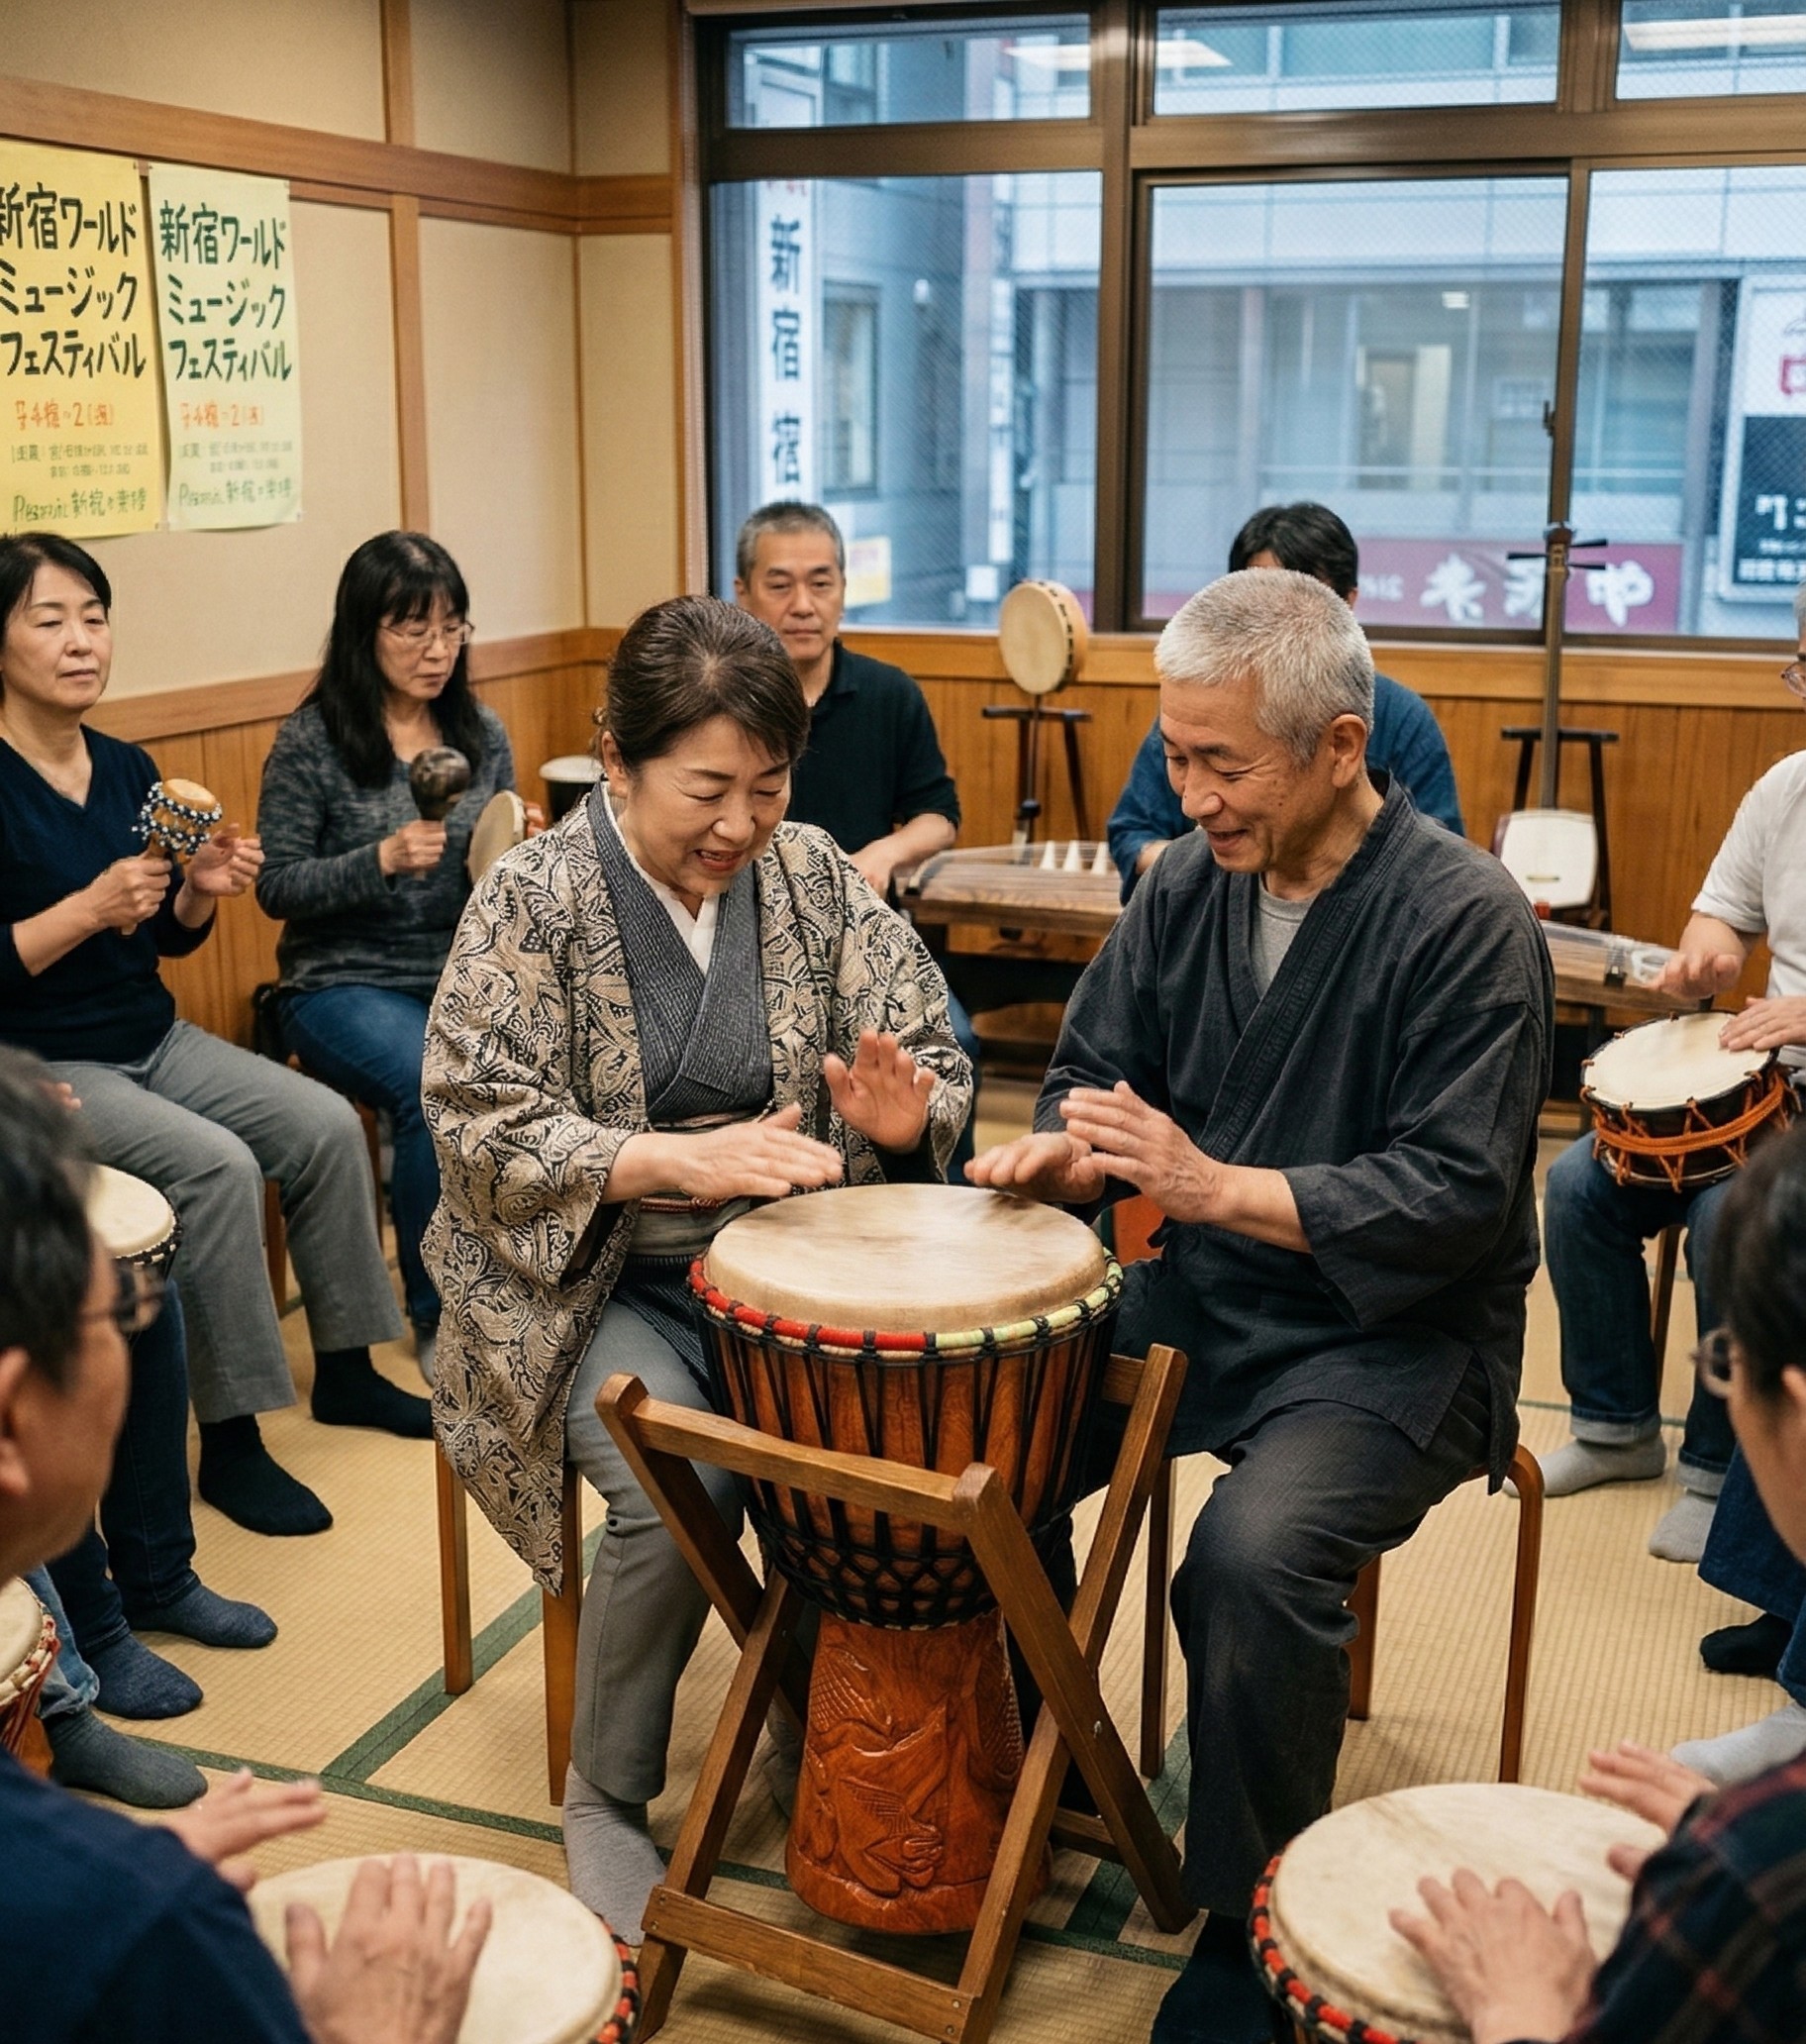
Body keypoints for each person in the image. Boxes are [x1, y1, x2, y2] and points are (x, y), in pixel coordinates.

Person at [968, 568, 1550, 2044]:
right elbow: (1095, 1079)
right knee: (985, 1418)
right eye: (1175, 754)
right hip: (1213, 1297)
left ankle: (1252, 1921)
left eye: (1224, 763)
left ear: (1342, 747)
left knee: (1247, 1559)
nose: (1191, 793)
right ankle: (1040, 1774)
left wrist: (1215, 1185)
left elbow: (1458, 1194)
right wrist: (1063, 1155)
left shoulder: (1467, 917)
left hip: (1395, 1342)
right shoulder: (1181, 887)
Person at [423, 594, 971, 1944]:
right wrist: (666, 1163)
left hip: (781, 1274)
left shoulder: (814, 874)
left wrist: (912, 1118)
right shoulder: (533, 897)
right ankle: (606, 1797)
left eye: (768, 788)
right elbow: (473, 1110)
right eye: (706, 789)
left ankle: (816, 1722)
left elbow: (925, 1038)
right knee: (685, 1479)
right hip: (586, 1284)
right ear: (617, 758)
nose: (738, 825)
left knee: (884, 1446)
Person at [0, 1040, 491, 2043]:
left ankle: (149, 1586)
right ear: (12, 1420)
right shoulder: (136, 1929)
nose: (129, 1329)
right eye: (115, 1314)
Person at [0, 531, 420, 1543]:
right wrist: (88, 908)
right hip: (42, 1062)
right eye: (49, 620)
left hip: (151, 1033)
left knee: (323, 1124)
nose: (80, 641)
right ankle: (232, 1438)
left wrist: (193, 892)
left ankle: (352, 1371)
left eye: (93, 618)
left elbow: (169, 942)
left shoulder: (128, 767)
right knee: (218, 1168)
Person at [1391, 1120, 1806, 2044]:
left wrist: (1522, 2017)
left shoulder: (1762, 1882)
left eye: (1722, 1362)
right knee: (1580, 1182)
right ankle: (1616, 1426)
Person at [1539, 578, 1806, 1569]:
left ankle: (1716, 1471)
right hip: (1759, 1073)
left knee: (1726, 1220)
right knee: (1574, 1189)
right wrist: (1703, 963)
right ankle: (1612, 1427)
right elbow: (1720, 916)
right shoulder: (1786, 789)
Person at [257, 532, 535, 1380]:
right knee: (432, 1084)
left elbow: (495, 861)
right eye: (411, 627)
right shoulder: (314, 740)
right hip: (338, 980)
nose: (436, 648)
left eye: (452, 627)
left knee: (553, 1053)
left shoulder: (478, 732)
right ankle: (438, 1312)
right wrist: (375, 862)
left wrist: (517, 855)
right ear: (362, 632)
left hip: (455, 971)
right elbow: (276, 885)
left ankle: (522, 1282)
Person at [733, 499, 979, 1175]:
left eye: (822, 582)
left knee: (952, 1039)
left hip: (867, 947)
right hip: (747, 943)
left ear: (844, 589)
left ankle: (950, 1205)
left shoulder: (889, 693)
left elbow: (939, 813)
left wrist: (886, 852)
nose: (803, 604)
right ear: (743, 594)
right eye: (780, 585)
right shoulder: (724, 706)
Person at [1106, 500, 1464, 895]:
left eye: (1229, 768)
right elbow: (1132, 833)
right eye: (1253, 600)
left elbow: (1439, 856)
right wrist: (1200, 872)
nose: (1195, 802)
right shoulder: (1194, 716)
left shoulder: (1402, 717)